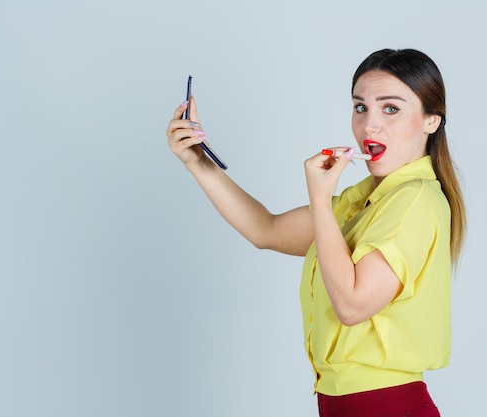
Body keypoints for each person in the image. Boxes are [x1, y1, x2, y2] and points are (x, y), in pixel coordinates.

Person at [165, 48, 466, 417]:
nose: (370, 125)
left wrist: (320, 198)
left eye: (391, 108)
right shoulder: (361, 202)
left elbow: (353, 305)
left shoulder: (415, 199)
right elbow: (267, 229)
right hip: (345, 405)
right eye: (360, 107)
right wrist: (198, 163)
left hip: (384, 404)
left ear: (431, 121)